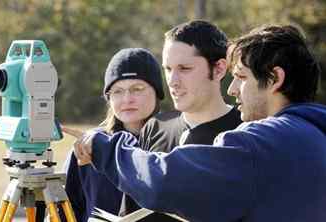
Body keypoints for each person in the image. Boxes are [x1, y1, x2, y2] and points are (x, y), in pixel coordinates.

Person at [66, 24, 326, 222]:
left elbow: (164, 181)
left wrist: (104, 148)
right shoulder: (314, 136)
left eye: (242, 77)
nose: (233, 89)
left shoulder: (258, 145)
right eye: (168, 69)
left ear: (274, 78)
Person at [63, 48, 165, 222]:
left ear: (157, 92)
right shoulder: (88, 145)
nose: (127, 99)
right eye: (117, 91)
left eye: (137, 89)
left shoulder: (172, 142)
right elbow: (67, 210)